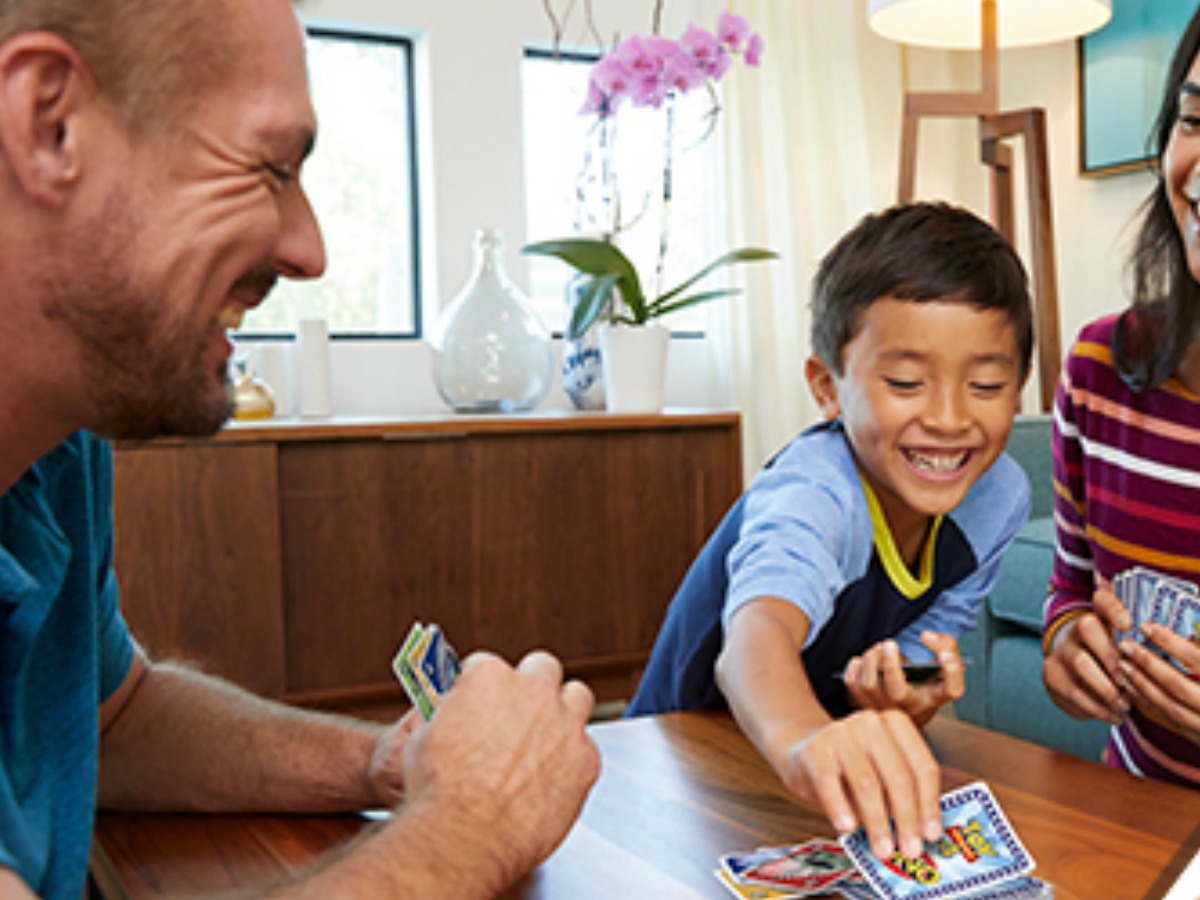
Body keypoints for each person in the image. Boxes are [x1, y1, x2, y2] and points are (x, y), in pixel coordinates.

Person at [0, 2, 599, 898]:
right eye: (270, 167)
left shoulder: (56, 445)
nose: (310, 249)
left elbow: (111, 719)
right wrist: (468, 825)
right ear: (49, 123)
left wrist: (387, 763)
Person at [627, 202, 1033, 862]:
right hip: (678, 761)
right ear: (827, 387)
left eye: (987, 384)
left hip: (811, 792)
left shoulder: (999, 497)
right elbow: (754, 638)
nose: (951, 419)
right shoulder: (815, 491)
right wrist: (802, 738)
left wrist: (895, 692)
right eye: (906, 382)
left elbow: (906, 658)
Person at [1041, 6, 1200, 791]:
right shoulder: (1103, 368)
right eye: (1196, 119)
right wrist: (1070, 648)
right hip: (1143, 818)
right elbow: (1070, 590)